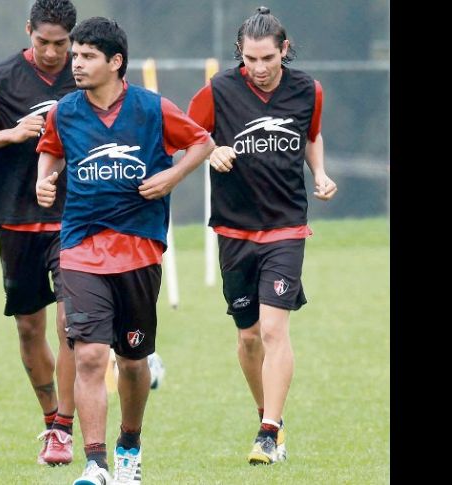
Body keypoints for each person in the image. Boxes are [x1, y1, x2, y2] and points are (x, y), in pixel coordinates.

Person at [36, 17, 214, 485]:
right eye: (75, 56)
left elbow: (202, 141)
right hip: (79, 248)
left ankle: (129, 446)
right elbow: (50, 148)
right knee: (91, 354)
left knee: (133, 362)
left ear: (115, 62)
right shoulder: (65, 111)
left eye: (88, 56)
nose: (76, 64)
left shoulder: (152, 108)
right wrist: (43, 178)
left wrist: (171, 176)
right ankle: (95, 464)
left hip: (138, 251)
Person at [187, 6, 338, 466]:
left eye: (268, 58)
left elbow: (311, 135)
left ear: (283, 50)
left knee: (274, 329)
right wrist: (212, 150)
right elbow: (187, 135)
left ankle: (268, 433)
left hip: (286, 226)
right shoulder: (218, 91)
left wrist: (321, 173)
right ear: (240, 54)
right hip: (233, 229)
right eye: (250, 59)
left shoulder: (308, 90)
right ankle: (267, 416)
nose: (259, 68)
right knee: (249, 337)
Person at [0, 0, 79, 466]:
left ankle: (65, 428)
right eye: (42, 41)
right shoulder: (1, 76)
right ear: (29, 31)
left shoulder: (86, 72)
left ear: (73, 38)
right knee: (30, 328)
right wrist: (10, 134)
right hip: (17, 219)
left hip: (74, 218)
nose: (51, 52)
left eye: (60, 44)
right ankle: (51, 420)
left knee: (72, 324)